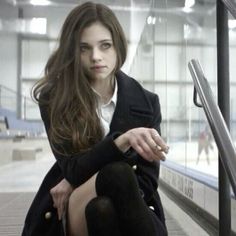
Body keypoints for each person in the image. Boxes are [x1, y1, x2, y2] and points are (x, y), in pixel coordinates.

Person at [22, 2, 169, 236]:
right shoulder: (55, 99)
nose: (96, 57)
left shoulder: (147, 102)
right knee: (118, 172)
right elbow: (72, 167)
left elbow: (147, 180)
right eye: (84, 48)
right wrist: (121, 141)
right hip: (75, 199)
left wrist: (78, 180)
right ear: (73, 51)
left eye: (105, 46)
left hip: (130, 204)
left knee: (103, 208)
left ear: (118, 47)